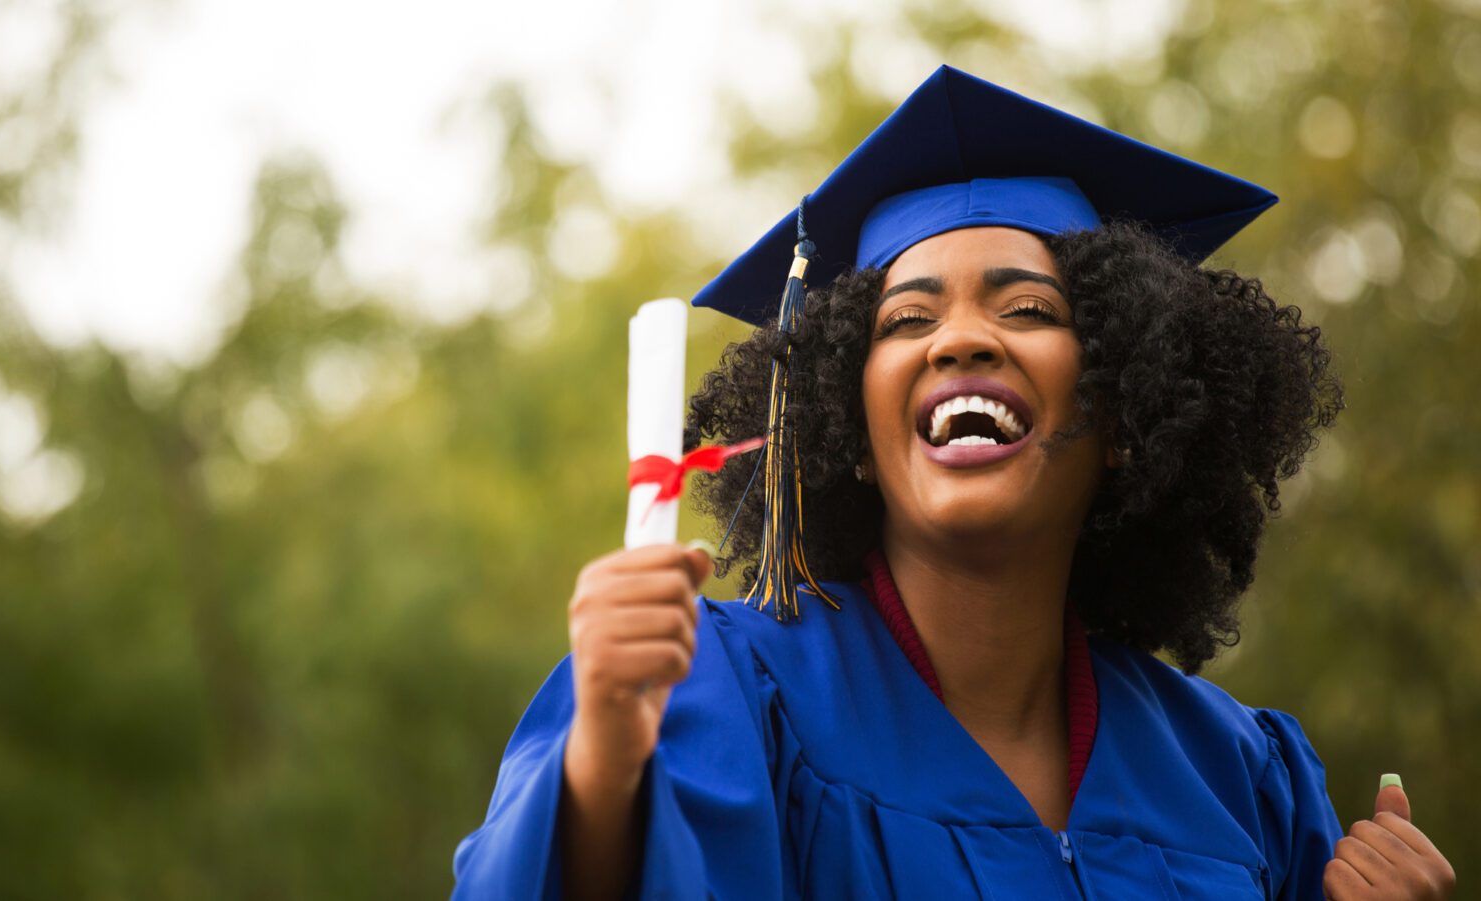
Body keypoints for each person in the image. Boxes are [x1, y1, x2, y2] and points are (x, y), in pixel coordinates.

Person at [451, 67, 1455, 900]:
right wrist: (603, 768)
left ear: (1122, 409)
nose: (963, 338)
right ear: (845, 426)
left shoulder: (1242, 782)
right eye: (906, 320)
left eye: (1025, 308)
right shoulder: (722, 692)